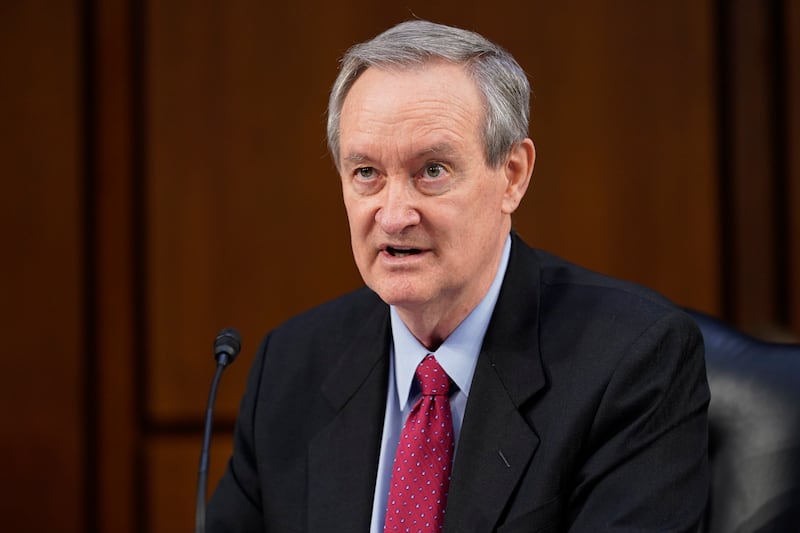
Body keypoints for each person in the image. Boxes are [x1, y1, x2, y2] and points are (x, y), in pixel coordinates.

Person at [208, 20, 709, 532]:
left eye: (432, 171)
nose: (394, 214)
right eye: (367, 174)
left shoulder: (631, 359)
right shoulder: (291, 367)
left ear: (513, 175)